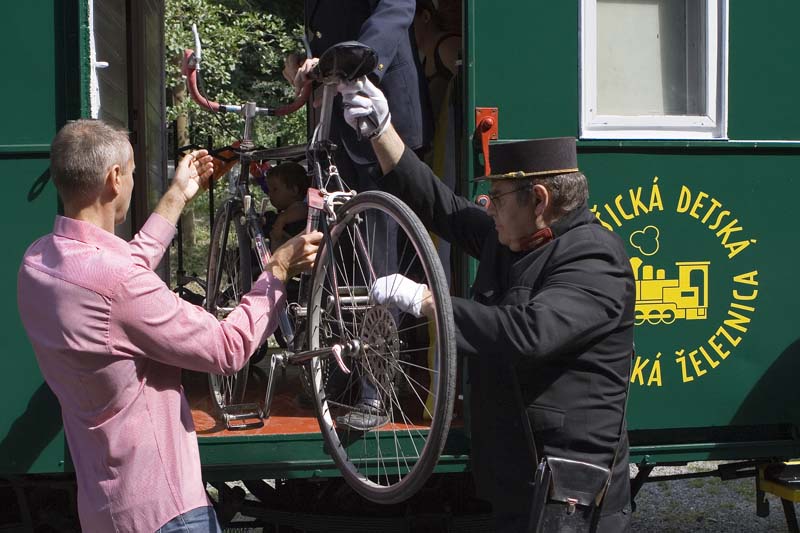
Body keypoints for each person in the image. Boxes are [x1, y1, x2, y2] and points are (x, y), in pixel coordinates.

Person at [339, 79, 635, 532]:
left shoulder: (594, 258)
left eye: (497, 198)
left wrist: (425, 300)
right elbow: (441, 208)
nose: (489, 208)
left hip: (566, 494)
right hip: (515, 480)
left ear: (539, 200)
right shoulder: (514, 238)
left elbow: (529, 334)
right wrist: (382, 131)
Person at [16, 119, 321, 533]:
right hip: (165, 512)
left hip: (103, 510)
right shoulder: (119, 286)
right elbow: (226, 348)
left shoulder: (38, 262)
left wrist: (178, 195)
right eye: (134, 172)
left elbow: (120, 273)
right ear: (115, 178)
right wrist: (278, 269)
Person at [283, 0, 435, 430]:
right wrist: (302, 63)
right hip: (336, 116)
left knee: (380, 256)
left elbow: (395, 8)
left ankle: (375, 388)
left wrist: (351, 63)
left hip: (379, 105)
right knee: (342, 251)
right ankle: (341, 370)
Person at [262, 162, 311, 250]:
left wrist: (281, 220)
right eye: (269, 190)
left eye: (275, 189)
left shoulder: (300, 207)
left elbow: (302, 209)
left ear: (293, 190)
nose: (269, 194)